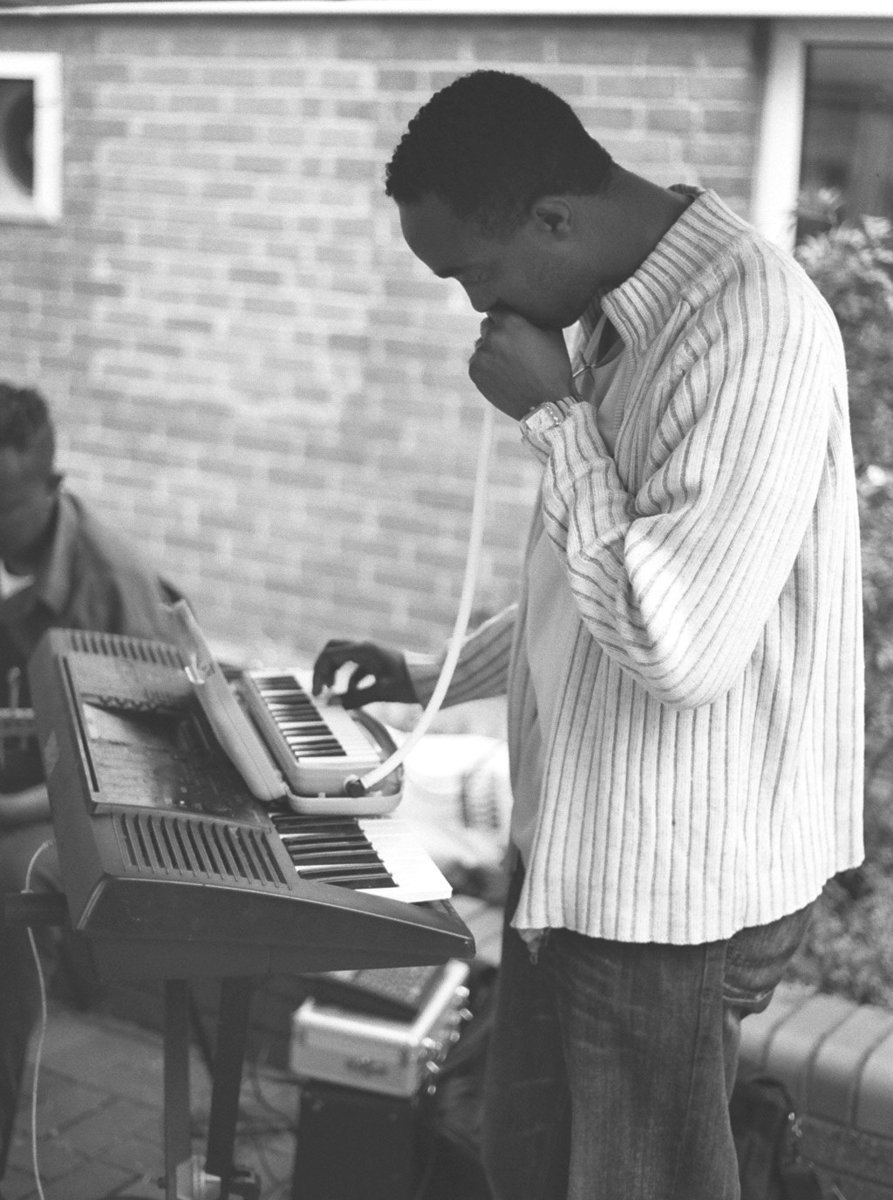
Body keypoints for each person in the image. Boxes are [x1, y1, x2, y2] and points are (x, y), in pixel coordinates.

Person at [312, 70, 865, 1200]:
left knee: (631, 1179)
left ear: (553, 219)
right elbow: (600, 578)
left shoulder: (748, 327)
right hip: (585, 848)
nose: (474, 307)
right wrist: (433, 676)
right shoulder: (614, 307)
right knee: (533, 1159)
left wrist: (555, 422)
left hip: (669, 881)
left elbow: (676, 641)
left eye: (471, 271)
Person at [0, 382, 185, 1183]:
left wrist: (9, 806)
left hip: (62, 810)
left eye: (3, 505)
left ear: (51, 484)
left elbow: (142, 768)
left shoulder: (113, 584)